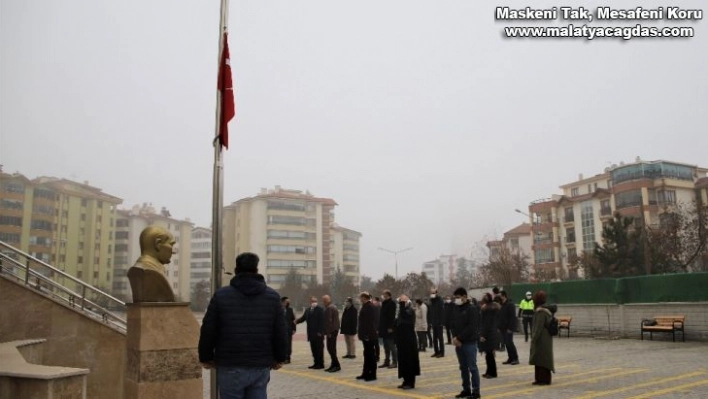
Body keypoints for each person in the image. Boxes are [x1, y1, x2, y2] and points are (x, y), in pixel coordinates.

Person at [198, 252, 287, 399]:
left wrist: (206, 357)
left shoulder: (221, 295)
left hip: (230, 365)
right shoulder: (272, 297)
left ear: (236, 270)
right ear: (256, 270)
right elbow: (280, 330)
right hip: (260, 365)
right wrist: (280, 357)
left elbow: (208, 328)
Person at [451, 287, 481, 399]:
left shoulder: (472, 309)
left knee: (472, 367)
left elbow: (472, 327)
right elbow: (453, 324)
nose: (456, 300)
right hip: (459, 344)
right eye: (455, 298)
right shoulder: (456, 308)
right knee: (463, 368)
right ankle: (466, 389)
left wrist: (459, 338)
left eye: (458, 297)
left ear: (464, 296)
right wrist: (454, 337)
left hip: (469, 343)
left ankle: (476, 392)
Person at [529, 290, 556, 385]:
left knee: (541, 359)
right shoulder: (545, 310)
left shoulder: (541, 312)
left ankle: (543, 379)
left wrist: (533, 339)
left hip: (542, 339)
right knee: (540, 359)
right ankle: (540, 379)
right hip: (546, 338)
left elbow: (538, 327)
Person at [395, 294, 420, 390]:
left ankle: (410, 382)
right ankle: (405, 380)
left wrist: (402, 304)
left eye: (402, 301)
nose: (400, 303)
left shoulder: (410, 310)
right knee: (403, 361)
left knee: (409, 361)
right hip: (402, 340)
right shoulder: (401, 311)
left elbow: (406, 317)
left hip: (409, 340)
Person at [295, 296, 325, 370]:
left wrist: (320, 331)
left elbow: (322, 321)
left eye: (315, 301)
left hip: (318, 334)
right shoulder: (308, 310)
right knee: (314, 349)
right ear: (310, 302)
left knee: (319, 349)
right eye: (312, 301)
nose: (314, 302)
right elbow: (303, 318)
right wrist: (296, 321)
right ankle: (315, 363)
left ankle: (320, 364)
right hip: (311, 333)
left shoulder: (320, 310)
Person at [356, 292, 378, 382]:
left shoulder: (370, 307)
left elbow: (369, 323)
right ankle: (365, 373)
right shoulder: (365, 306)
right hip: (366, 334)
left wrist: (367, 335)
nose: (360, 299)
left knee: (371, 355)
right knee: (367, 354)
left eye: (360, 298)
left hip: (369, 335)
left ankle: (372, 374)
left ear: (364, 298)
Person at [479, 292, 500, 379]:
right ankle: (489, 371)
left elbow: (486, 324)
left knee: (489, 355)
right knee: (489, 354)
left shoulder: (487, 310)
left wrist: (483, 335)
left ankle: (492, 373)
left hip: (489, 334)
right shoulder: (494, 308)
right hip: (492, 333)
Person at [378, 290, 398, 368]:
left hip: (389, 328)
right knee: (386, 346)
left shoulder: (392, 303)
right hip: (383, 328)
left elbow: (391, 317)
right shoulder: (384, 303)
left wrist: (390, 327)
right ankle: (387, 361)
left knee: (391, 345)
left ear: (388, 295)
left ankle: (395, 362)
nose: (383, 296)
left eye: (384, 295)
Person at [499, 290, 519, 365]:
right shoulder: (501, 305)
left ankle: (515, 358)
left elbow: (512, 317)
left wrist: (510, 328)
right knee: (507, 344)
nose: (499, 297)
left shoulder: (510, 304)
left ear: (504, 296)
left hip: (508, 328)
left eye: (500, 296)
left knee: (510, 343)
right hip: (503, 328)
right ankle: (510, 358)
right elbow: (500, 317)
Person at [428, 288, 445, 358]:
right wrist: (430, 321)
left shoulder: (440, 300)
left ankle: (441, 352)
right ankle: (436, 351)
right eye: (431, 293)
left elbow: (442, 312)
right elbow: (431, 312)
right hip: (434, 322)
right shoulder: (431, 301)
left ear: (436, 293)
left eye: (433, 293)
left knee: (440, 338)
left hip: (439, 322)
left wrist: (441, 322)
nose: (432, 294)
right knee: (434, 338)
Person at [282, 296, 296, 364]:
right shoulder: (279, 309)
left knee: (289, 345)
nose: (288, 303)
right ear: (283, 302)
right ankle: (283, 358)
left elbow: (293, 320)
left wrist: (294, 329)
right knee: (282, 344)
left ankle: (288, 358)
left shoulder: (290, 310)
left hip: (289, 330)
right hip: (281, 331)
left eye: (288, 302)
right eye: (286, 302)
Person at [372, 296, 382, 362]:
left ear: (378, 301)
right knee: (373, 343)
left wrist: (377, 329)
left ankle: (377, 356)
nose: (373, 302)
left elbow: (378, 319)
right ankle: (375, 355)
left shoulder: (379, 308)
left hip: (376, 328)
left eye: (374, 301)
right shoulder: (374, 308)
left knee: (376, 343)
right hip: (373, 328)